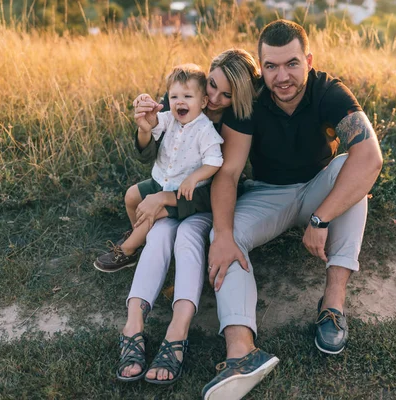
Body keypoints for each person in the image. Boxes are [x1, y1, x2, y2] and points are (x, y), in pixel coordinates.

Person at [201, 20, 383, 400]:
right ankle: (241, 352)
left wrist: (321, 218)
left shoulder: (328, 91)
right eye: (271, 66)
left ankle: (332, 307)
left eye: (291, 64)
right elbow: (229, 173)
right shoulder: (250, 99)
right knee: (226, 238)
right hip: (268, 193)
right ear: (261, 66)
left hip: (320, 189)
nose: (282, 76)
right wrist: (221, 234)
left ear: (308, 61)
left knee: (350, 171)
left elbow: (370, 158)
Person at [114, 49, 261, 385]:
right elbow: (153, 149)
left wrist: (165, 199)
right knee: (161, 233)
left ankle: (176, 333)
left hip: (205, 205)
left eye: (227, 95)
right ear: (203, 75)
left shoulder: (235, 122)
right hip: (172, 195)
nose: (215, 98)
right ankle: (133, 323)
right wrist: (143, 127)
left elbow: (223, 183)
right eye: (211, 86)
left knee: (183, 234)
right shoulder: (183, 93)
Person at [94, 64, 224, 273]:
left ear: (203, 101)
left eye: (188, 96)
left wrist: (194, 178)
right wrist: (147, 107)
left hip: (183, 192)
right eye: (174, 97)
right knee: (131, 196)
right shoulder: (170, 117)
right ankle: (138, 235)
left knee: (150, 214)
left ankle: (126, 252)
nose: (180, 102)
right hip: (160, 180)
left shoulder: (205, 129)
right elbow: (154, 123)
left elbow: (214, 161)